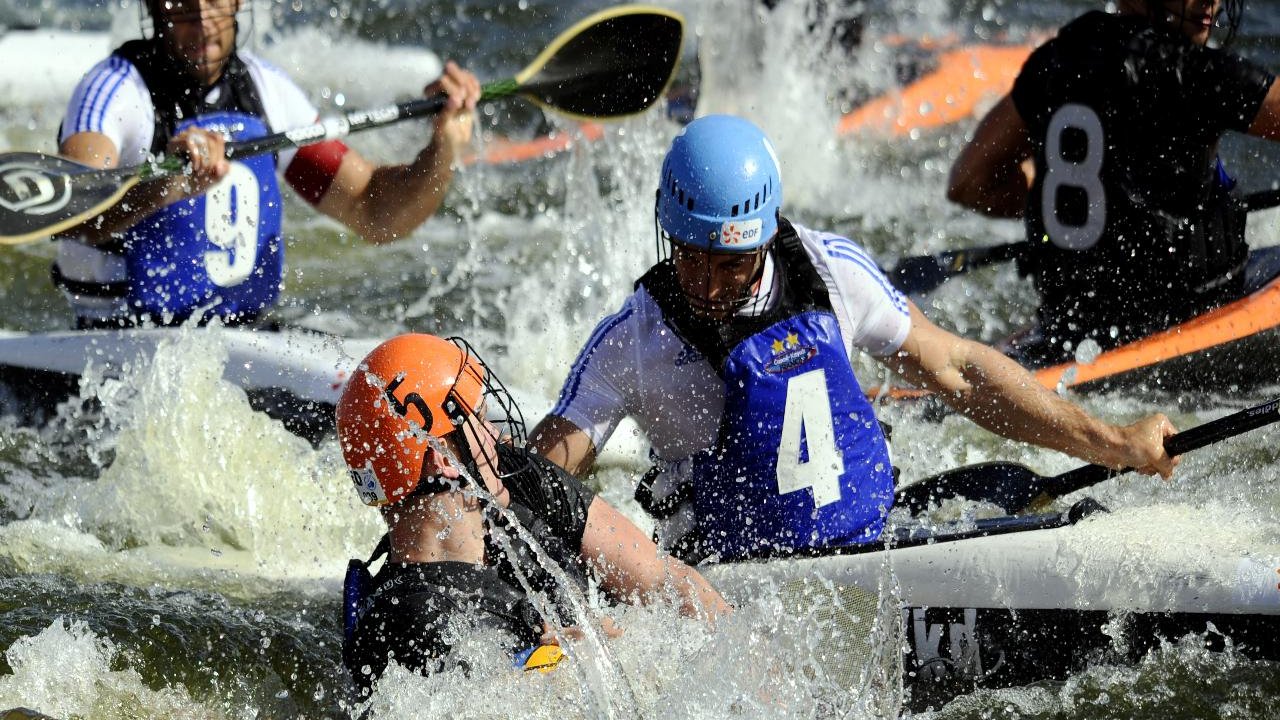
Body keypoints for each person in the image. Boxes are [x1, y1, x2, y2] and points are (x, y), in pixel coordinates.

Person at [529, 114, 1178, 564]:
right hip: (734, 576)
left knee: (1017, 485)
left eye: (730, 263)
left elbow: (961, 370)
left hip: (870, 535)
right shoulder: (632, 338)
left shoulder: (829, 268)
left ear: (765, 234)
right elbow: (541, 477)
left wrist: (1111, 441)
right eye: (690, 256)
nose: (706, 283)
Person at [335, 333, 731, 696]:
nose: (499, 436)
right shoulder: (415, 624)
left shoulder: (516, 480)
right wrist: (574, 669)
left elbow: (666, 580)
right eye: (481, 419)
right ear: (444, 460)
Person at [52, 0, 482, 329]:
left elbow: (374, 213)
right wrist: (170, 185)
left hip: (240, 337)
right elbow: (71, 210)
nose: (202, 21)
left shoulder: (267, 90)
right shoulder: (113, 93)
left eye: (214, 1)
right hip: (116, 340)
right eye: (183, 2)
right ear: (153, 5)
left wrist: (442, 147)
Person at [946, 0, 1280, 365]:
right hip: (1186, 314)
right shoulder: (1197, 70)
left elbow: (969, 183)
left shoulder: (1054, 61)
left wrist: (1053, 198)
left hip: (1069, 330)